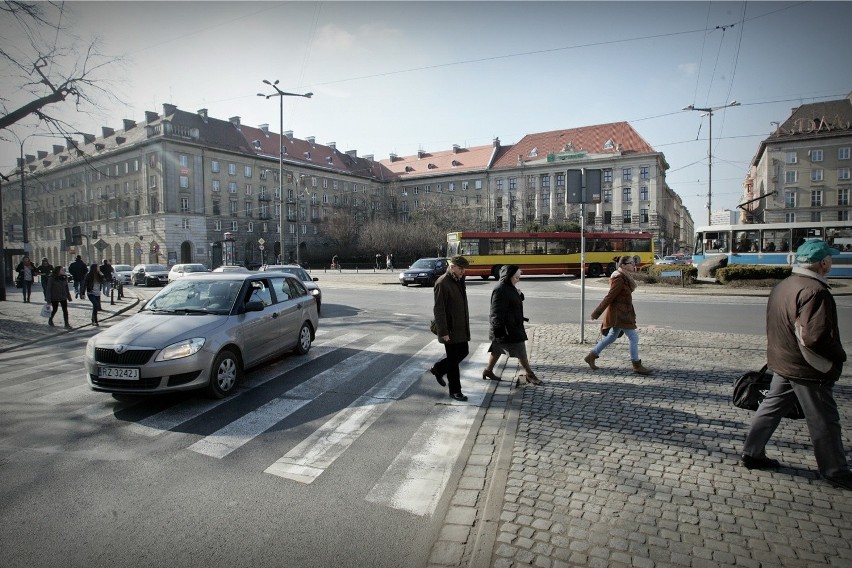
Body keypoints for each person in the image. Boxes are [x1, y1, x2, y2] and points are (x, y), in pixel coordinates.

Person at [741, 240, 851, 489]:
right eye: (830, 259)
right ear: (823, 263)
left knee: (770, 408)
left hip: (783, 360)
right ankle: (835, 471)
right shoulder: (815, 291)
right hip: (806, 368)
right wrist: (839, 355)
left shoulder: (785, 285)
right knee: (824, 419)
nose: (832, 262)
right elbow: (814, 337)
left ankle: (752, 452)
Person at [584, 255, 652, 375]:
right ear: (623, 265)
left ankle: (591, 356)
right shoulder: (619, 279)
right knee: (634, 337)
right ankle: (636, 364)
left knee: (612, 337)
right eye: (631, 263)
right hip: (620, 314)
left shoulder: (625, 277)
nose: (633, 265)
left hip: (623, 312)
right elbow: (609, 297)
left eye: (633, 262)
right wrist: (597, 312)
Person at [482, 265, 542, 385]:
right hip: (506, 328)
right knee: (521, 350)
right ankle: (529, 374)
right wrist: (498, 330)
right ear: (508, 276)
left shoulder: (509, 287)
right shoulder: (500, 289)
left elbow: (513, 300)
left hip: (511, 326)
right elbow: (496, 312)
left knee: (497, 349)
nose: (518, 279)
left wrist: (519, 295)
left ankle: (488, 371)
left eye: (519, 277)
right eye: (516, 277)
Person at [430, 255, 471, 401]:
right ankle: (455, 391)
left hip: (460, 327)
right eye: (461, 268)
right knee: (453, 362)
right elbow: (439, 310)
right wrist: (444, 332)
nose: (463, 271)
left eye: (464, 269)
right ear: (452, 266)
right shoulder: (442, 282)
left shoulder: (458, 280)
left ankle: (439, 369)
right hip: (450, 329)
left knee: (464, 351)